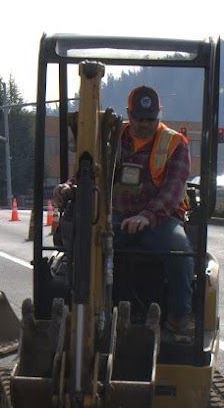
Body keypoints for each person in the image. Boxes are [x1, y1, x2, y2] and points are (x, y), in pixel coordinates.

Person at [58, 84, 196, 341]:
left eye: (150, 119)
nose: (144, 124)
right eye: (138, 118)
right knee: (82, 245)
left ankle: (179, 316)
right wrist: (69, 188)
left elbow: (173, 191)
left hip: (159, 221)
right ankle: (80, 309)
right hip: (114, 218)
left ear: (159, 115)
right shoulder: (110, 137)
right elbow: (86, 172)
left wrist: (147, 216)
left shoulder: (174, 143)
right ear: (128, 114)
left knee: (179, 249)